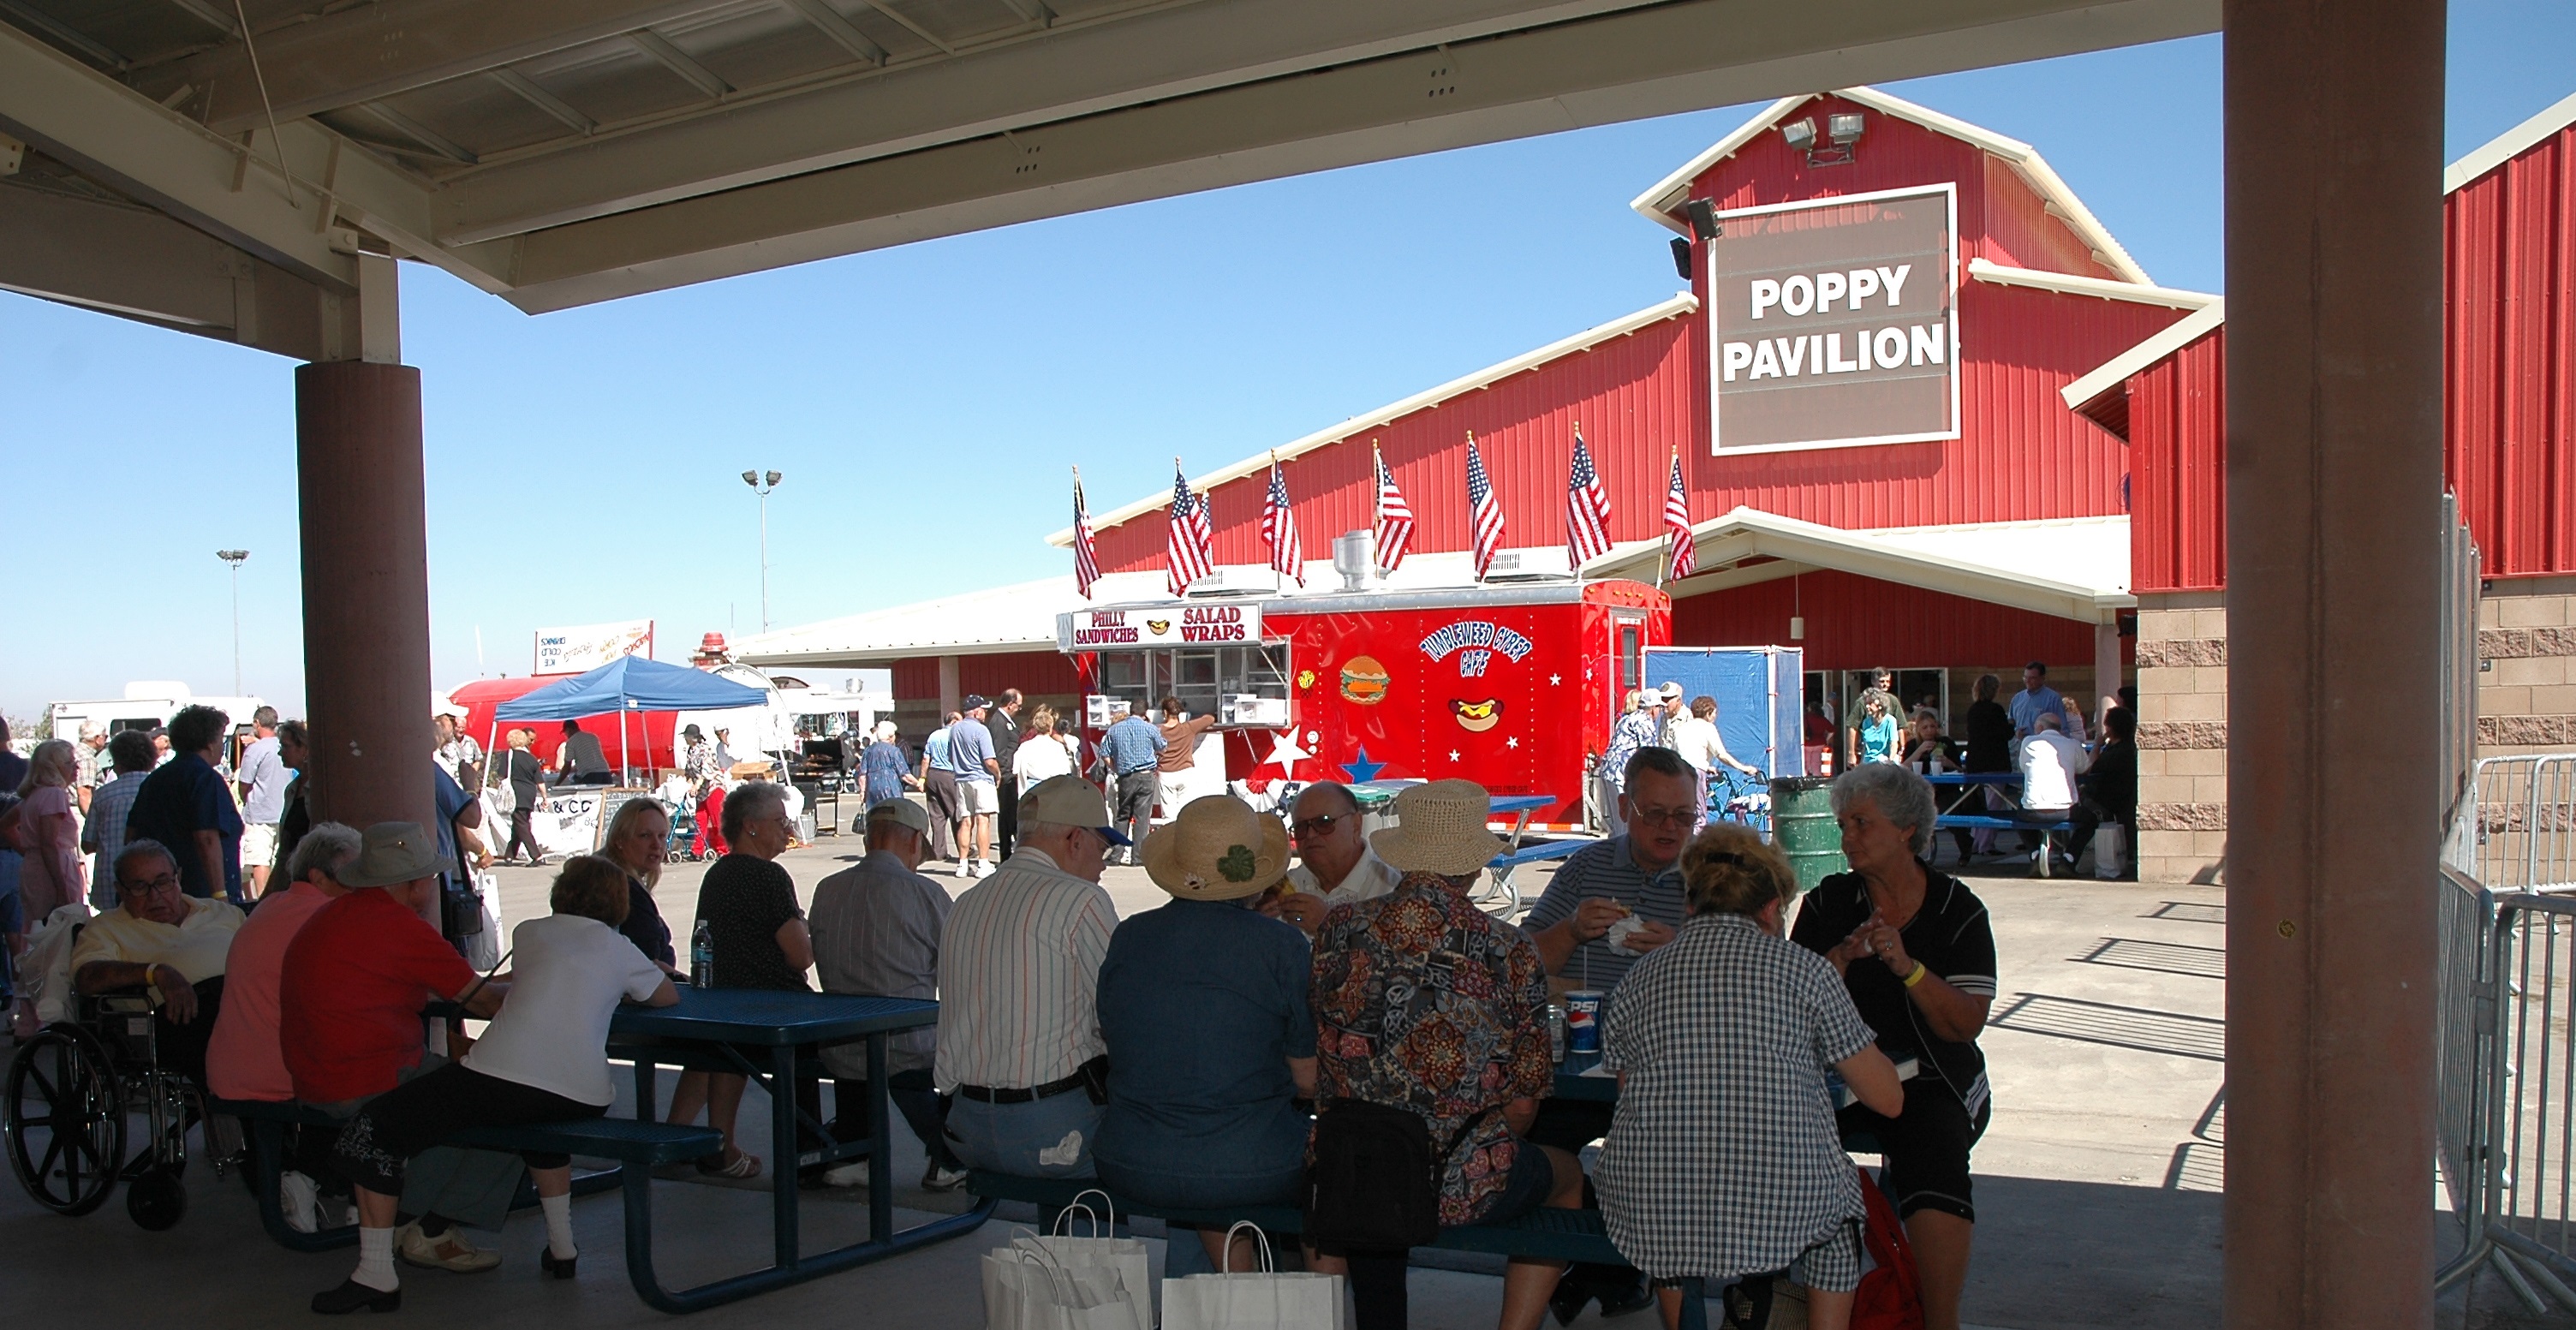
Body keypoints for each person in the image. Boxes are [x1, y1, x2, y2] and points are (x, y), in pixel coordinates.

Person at [312, 856, 677, 1313]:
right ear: (619, 902)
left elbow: (520, 983)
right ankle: (562, 1251)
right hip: (582, 1095)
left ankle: (376, 1272)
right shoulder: (620, 949)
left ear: (561, 892)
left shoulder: (528, 932)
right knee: (540, 1129)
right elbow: (666, 997)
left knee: (374, 1129)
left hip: (501, 1078)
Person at [1597, 825, 1904, 1330]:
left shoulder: (1641, 977)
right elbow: (1888, 1099)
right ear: (1770, 908)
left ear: (1691, 905)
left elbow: (1631, 1094)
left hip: (1652, 1205)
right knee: (1839, 1213)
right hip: (1783, 1206)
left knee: (1666, 1191)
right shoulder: (1806, 972)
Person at [1307, 778, 1584, 1330]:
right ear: (1472, 866)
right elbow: (1524, 1107)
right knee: (1570, 1173)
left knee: (1380, 1168)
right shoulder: (1507, 948)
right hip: (1458, 1182)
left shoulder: (1338, 928)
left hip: (1349, 1168)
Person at [1791, 764, 1995, 1330]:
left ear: (1907, 828)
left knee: (1932, 1143)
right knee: (1781, 1135)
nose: (1846, 836)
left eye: (1861, 823)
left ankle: (1939, 1318)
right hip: (1836, 1074)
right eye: (1842, 824)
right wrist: (1843, 957)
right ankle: (1788, 1305)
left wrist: (1908, 968)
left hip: (1931, 1073)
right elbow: (1789, 1002)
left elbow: (1965, 1024)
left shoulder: (1960, 911)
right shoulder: (1829, 901)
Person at [280, 822, 516, 1276]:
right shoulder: (403, 928)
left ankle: (411, 1220)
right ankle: (426, 1226)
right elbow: (484, 1000)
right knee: (507, 1105)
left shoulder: (331, 917)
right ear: (413, 884)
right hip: (372, 1077)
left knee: (453, 1093)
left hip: (312, 1078)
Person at [1516, 748, 1696, 1321]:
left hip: (1671, 1069)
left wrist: (1680, 950)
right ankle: (1602, 1267)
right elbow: (1521, 960)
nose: (1671, 828)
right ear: (1624, 807)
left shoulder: (1710, 879)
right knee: (1532, 1151)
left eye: (1684, 816)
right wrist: (1571, 930)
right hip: (1583, 1057)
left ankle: (1604, 1270)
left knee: (1650, 1163)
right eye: (1655, 813)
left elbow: (1752, 971)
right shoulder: (1587, 868)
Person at [1098, 796, 1312, 1273]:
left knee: (1206, 1161)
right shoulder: (1281, 945)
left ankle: (1211, 1296)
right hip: (1251, 1162)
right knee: (1329, 1169)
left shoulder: (1130, 935)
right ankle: (1286, 1300)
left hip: (1130, 1154)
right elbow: (1307, 1081)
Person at [934, 774, 1130, 1178]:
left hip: (965, 1125)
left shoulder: (966, 902)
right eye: (1102, 850)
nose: (1101, 866)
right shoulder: (1082, 900)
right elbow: (1123, 1015)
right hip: (1050, 1124)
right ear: (1075, 839)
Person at [808, 799, 967, 1190]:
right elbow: (956, 968)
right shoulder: (925, 893)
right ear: (915, 841)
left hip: (841, 1040)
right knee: (949, 1055)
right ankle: (946, 1157)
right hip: (907, 1042)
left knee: (859, 1055)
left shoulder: (827, 889)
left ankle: (853, 1153)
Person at [665, 780, 812, 1179]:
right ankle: (722, 1145)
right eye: (781, 822)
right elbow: (801, 956)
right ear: (751, 826)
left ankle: (675, 1138)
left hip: (718, 999)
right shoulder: (769, 877)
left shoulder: (717, 873)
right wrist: (802, 923)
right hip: (770, 1005)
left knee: (713, 1049)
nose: (789, 831)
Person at [211, 822, 361, 1103]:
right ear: (318, 878)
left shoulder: (268, 906)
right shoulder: (331, 918)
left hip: (230, 1074)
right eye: (352, 877)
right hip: (286, 1080)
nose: (360, 887)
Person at [70, 838, 242, 1082]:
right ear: (120, 890)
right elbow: (87, 977)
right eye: (140, 887)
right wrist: (155, 972)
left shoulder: (221, 913)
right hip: (180, 1019)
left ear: (178, 878)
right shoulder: (105, 927)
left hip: (245, 1004)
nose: (155, 896)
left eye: (162, 882)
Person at [124, 704, 245, 905]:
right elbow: (206, 837)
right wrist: (220, 895)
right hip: (200, 896)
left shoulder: (155, 779)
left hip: (162, 892)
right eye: (220, 739)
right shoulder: (205, 778)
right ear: (209, 742)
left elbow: (131, 836)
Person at [1267, 781, 1401, 934]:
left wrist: (1330, 926)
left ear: (1356, 826)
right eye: (1301, 827)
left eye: (1324, 823)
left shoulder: (1392, 888)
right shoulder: (1286, 888)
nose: (1310, 835)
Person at [599, 796, 683, 975]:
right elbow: (645, 966)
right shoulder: (620, 890)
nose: (657, 845)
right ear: (620, 840)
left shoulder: (620, 881)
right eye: (645, 836)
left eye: (662, 836)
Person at [8, 739, 87, 921]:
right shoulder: (54, 794)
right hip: (53, 870)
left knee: (38, 927)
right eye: (69, 763)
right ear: (54, 767)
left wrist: (30, 852)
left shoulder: (34, 795)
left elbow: (6, 826)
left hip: (35, 866)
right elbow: (48, 843)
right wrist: (61, 889)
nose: (76, 768)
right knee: (61, 928)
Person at [80, 729, 156, 909]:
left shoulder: (103, 794)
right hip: (153, 880)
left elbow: (88, 844)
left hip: (111, 880)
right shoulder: (160, 788)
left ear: (116, 761)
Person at [1667, 695, 1761, 829]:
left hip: (1678, 772)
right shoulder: (1708, 728)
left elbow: (1682, 753)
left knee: (1682, 810)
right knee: (1699, 813)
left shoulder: (1681, 728)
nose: (1715, 717)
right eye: (1715, 713)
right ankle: (1697, 845)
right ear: (1708, 713)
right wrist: (1743, 768)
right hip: (1695, 773)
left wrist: (1707, 766)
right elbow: (1721, 754)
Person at [2069, 706, 2138, 878]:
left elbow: (2089, 768)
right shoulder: (2128, 748)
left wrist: (2097, 746)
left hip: (2106, 803)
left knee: (2082, 817)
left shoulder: (2114, 752)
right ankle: (2068, 858)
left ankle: (2068, 858)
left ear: (2111, 728)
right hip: (2118, 801)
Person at [2015, 712, 2091, 866]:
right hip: (2066, 811)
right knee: (2091, 820)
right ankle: (2069, 858)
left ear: (2041, 727)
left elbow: (2023, 768)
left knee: (2018, 812)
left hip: (2033, 812)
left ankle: (2035, 855)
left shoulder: (2028, 742)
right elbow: (2084, 769)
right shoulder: (2073, 744)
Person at [1097, 703, 1166, 862]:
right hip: (1145, 775)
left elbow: (1104, 754)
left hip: (1125, 776)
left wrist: (1115, 768)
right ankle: (1138, 857)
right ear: (1145, 712)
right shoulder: (1150, 728)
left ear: (1130, 711)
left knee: (1123, 815)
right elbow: (1162, 747)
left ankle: (1116, 856)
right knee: (1142, 817)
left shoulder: (1114, 729)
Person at [236, 707, 289, 897]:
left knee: (260, 861)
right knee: (279, 860)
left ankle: (263, 900)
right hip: (283, 812)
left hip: (260, 815)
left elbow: (244, 784)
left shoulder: (255, 749)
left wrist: (246, 800)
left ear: (257, 723)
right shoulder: (284, 746)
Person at [948, 697, 1003, 878]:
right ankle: (983, 863)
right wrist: (997, 773)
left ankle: (962, 864)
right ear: (977, 711)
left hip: (962, 779)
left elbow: (951, 756)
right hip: (980, 778)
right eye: (984, 710)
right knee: (983, 820)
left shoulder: (954, 729)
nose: (985, 713)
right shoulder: (981, 730)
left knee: (965, 821)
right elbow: (989, 760)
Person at [1597, 689, 1662, 837]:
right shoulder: (1644, 721)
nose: (1660, 712)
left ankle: (1612, 856)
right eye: (1659, 708)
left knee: (1617, 825)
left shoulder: (1627, 718)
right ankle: (1622, 858)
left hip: (1609, 772)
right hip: (1620, 774)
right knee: (1625, 824)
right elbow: (1651, 753)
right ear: (1653, 708)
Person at [1155, 695, 1217, 825]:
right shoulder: (1188, 728)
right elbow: (1210, 718)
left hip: (1165, 774)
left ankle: (1170, 841)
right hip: (1185, 772)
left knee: (1168, 816)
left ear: (1165, 713)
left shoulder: (1157, 731)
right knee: (1185, 813)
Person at [498, 730, 547, 867]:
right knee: (520, 823)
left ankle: (536, 855)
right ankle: (509, 855)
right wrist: (544, 797)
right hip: (529, 793)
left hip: (515, 793)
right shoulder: (531, 758)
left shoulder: (508, 756)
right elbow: (540, 781)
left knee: (521, 824)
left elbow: (501, 775)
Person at [986, 689, 1025, 857]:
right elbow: (999, 751)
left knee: (1011, 816)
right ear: (1010, 705)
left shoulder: (1007, 721)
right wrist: (1005, 772)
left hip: (1011, 774)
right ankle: (1005, 854)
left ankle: (1012, 852)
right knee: (1006, 817)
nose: (1019, 709)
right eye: (1019, 706)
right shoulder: (999, 722)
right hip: (1006, 776)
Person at [921, 712, 963, 868]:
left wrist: (922, 778)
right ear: (953, 721)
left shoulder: (934, 735)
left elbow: (926, 758)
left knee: (937, 816)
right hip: (949, 774)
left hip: (933, 774)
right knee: (956, 814)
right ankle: (964, 848)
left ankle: (938, 851)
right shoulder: (955, 735)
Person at [1012, 706, 1078, 787]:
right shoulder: (1058, 747)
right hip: (1053, 788)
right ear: (1051, 728)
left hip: (1032, 789)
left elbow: (1015, 770)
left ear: (1035, 727)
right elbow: (1065, 771)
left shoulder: (1024, 747)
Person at [859, 720, 915, 808]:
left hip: (872, 790)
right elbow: (905, 775)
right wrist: (918, 784)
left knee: (874, 815)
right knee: (893, 813)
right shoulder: (893, 750)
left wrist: (863, 792)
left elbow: (862, 775)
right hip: (890, 788)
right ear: (891, 737)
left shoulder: (868, 750)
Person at [2007, 661, 2066, 740]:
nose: (2027, 681)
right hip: (2020, 747)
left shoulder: (2053, 699)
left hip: (2044, 746)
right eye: (2025, 677)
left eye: (2032, 678)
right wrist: (2015, 731)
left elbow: (2062, 728)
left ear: (2042, 678)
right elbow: (2011, 722)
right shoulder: (2017, 699)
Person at [1845, 689, 1901, 770]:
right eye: (1866, 704)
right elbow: (1865, 747)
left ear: (1880, 705)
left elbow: (1894, 744)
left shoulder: (1890, 721)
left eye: (1870, 704)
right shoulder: (1866, 722)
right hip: (1868, 764)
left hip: (1884, 764)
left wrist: (1890, 762)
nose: (1867, 707)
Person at [555, 719, 611, 785]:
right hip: (606, 772)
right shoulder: (593, 737)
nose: (566, 735)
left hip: (590, 775)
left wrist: (557, 784)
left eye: (565, 733)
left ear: (568, 730)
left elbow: (567, 766)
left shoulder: (571, 742)